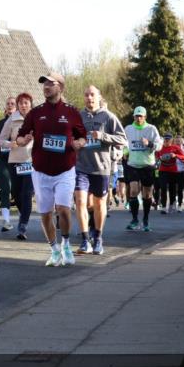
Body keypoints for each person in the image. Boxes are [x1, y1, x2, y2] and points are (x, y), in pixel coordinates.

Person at [16, 71, 87, 267]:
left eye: (51, 84)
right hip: (40, 171)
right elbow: (20, 137)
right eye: (44, 84)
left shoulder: (72, 112)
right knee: (46, 214)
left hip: (65, 170)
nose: (46, 87)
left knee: (63, 210)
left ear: (61, 87)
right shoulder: (36, 113)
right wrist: (24, 140)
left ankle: (65, 244)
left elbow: (82, 136)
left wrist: (79, 143)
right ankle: (54, 249)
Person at [74, 85, 126, 255]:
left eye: (92, 95)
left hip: (101, 167)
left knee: (99, 203)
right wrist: (74, 143)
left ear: (98, 97)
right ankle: (84, 240)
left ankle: (98, 238)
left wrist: (102, 136)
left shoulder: (108, 117)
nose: (89, 98)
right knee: (81, 202)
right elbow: (71, 136)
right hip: (81, 166)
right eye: (86, 95)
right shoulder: (78, 116)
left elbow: (122, 139)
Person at [0, 92, 34, 240]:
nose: (23, 105)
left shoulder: (37, 118)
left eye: (26, 102)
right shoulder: (12, 119)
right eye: (21, 103)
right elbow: (1, 140)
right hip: (15, 160)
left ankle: (22, 225)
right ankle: (23, 214)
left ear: (30, 104)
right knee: (16, 193)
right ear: (18, 105)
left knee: (27, 194)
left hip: (31, 161)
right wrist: (10, 144)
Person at [122, 106, 163, 231]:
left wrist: (149, 144)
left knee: (147, 194)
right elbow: (124, 143)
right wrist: (125, 151)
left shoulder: (151, 129)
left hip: (147, 165)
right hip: (133, 164)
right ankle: (134, 219)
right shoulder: (128, 129)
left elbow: (159, 145)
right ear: (134, 116)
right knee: (133, 190)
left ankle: (145, 219)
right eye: (136, 116)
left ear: (145, 117)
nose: (138, 118)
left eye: (141, 116)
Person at [0, 96, 17, 231]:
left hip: (17, 160)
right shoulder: (0, 123)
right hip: (3, 160)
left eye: (12, 104)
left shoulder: (21, 122)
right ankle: (6, 221)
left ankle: (22, 220)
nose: (9, 105)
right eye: (8, 103)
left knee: (17, 191)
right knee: (5, 189)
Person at [156, 133, 184, 215]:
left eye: (168, 139)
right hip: (163, 170)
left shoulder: (175, 147)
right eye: (165, 139)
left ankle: (171, 204)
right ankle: (163, 207)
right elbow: (155, 156)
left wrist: (175, 155)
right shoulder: (160, 148)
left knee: (172, 189)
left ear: (171, 140)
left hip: (173, 171)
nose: (166, 141)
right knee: (163, 187)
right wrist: (159, 158)